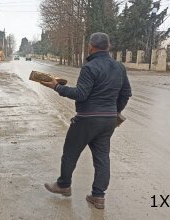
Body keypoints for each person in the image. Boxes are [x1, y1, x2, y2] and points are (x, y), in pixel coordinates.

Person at [40, 32, 132, 209]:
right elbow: (126, 93)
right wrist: (115, 111)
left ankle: (64, 185)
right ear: (108, 47)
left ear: (90, 46)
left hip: (86, 120)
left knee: (70, 153)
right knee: (102, 158)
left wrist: (57, 86)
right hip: (108, 121)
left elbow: (81, 94)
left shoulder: (90, 67)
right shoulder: (119, 67)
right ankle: (98, 197)